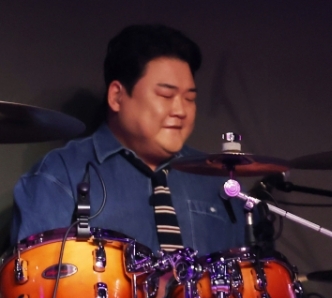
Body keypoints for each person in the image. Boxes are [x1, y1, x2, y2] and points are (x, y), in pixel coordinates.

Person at [12, 24, 245, 255]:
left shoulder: (216, 179)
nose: (180, 110)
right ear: (117, 96)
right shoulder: (61, 173)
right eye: (166, 95)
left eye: (189, 98)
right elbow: (35, 272)